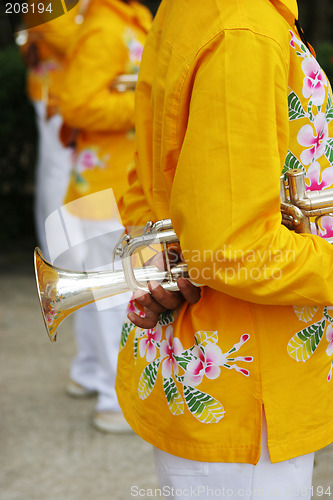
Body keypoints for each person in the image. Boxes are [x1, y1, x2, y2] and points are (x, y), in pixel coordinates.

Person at [115, 0, 333, 497]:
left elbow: (151, 177)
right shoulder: (244, 29)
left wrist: (157, 274)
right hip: (250, 392)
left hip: (213, 369)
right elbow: (237, 247)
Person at [57, 0, 152, 433]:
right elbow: (75, 104)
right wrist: (146, 103)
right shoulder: (104, 28)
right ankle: (114, 401)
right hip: (101, 188)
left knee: (106, 292)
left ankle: (93, 375)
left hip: (112, 183)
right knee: (114, 295)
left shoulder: (127, 21)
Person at [20, 3, 84, 261]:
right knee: (59, 176)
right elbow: (68, 39)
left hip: (64, 92)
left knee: (59, 173)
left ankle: (67, 257)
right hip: (57, 95)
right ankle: (63, 260)